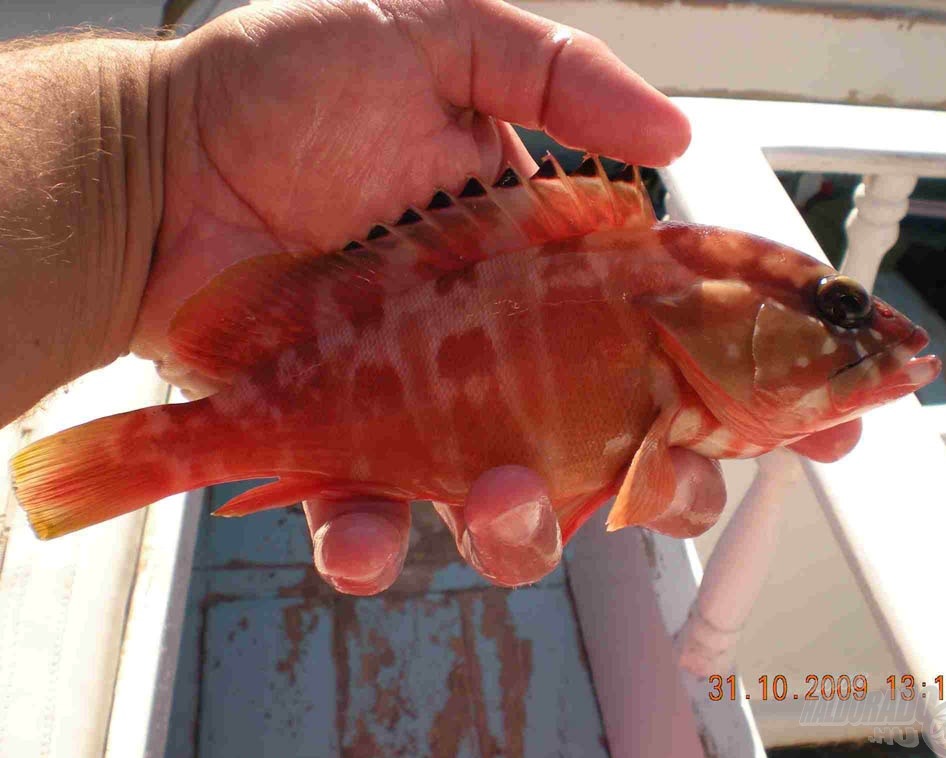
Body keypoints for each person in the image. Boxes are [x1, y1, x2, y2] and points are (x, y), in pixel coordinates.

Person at [0, 0, 860, 596]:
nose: (866, 335)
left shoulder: (654, 279)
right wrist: (155, 147)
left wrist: (152, 156)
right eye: (840, 309)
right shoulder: (655, 277)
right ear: (726, 305)